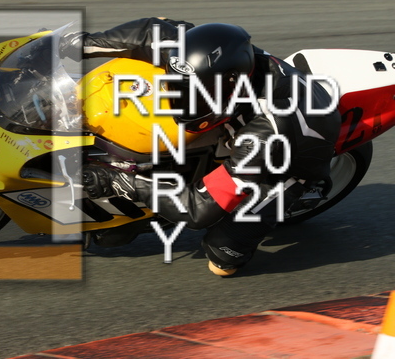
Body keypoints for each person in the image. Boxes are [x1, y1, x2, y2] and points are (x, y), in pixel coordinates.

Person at [60, 17, 341, 276]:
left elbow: (198, 210)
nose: (180, 102)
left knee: (222, 255)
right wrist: (79, 43)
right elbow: (149, 33)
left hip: (288, 160)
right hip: (245, 121)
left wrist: (123, 182)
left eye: (197, 96)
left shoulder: (265, 135)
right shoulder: (199, 57)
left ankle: (289, 197)